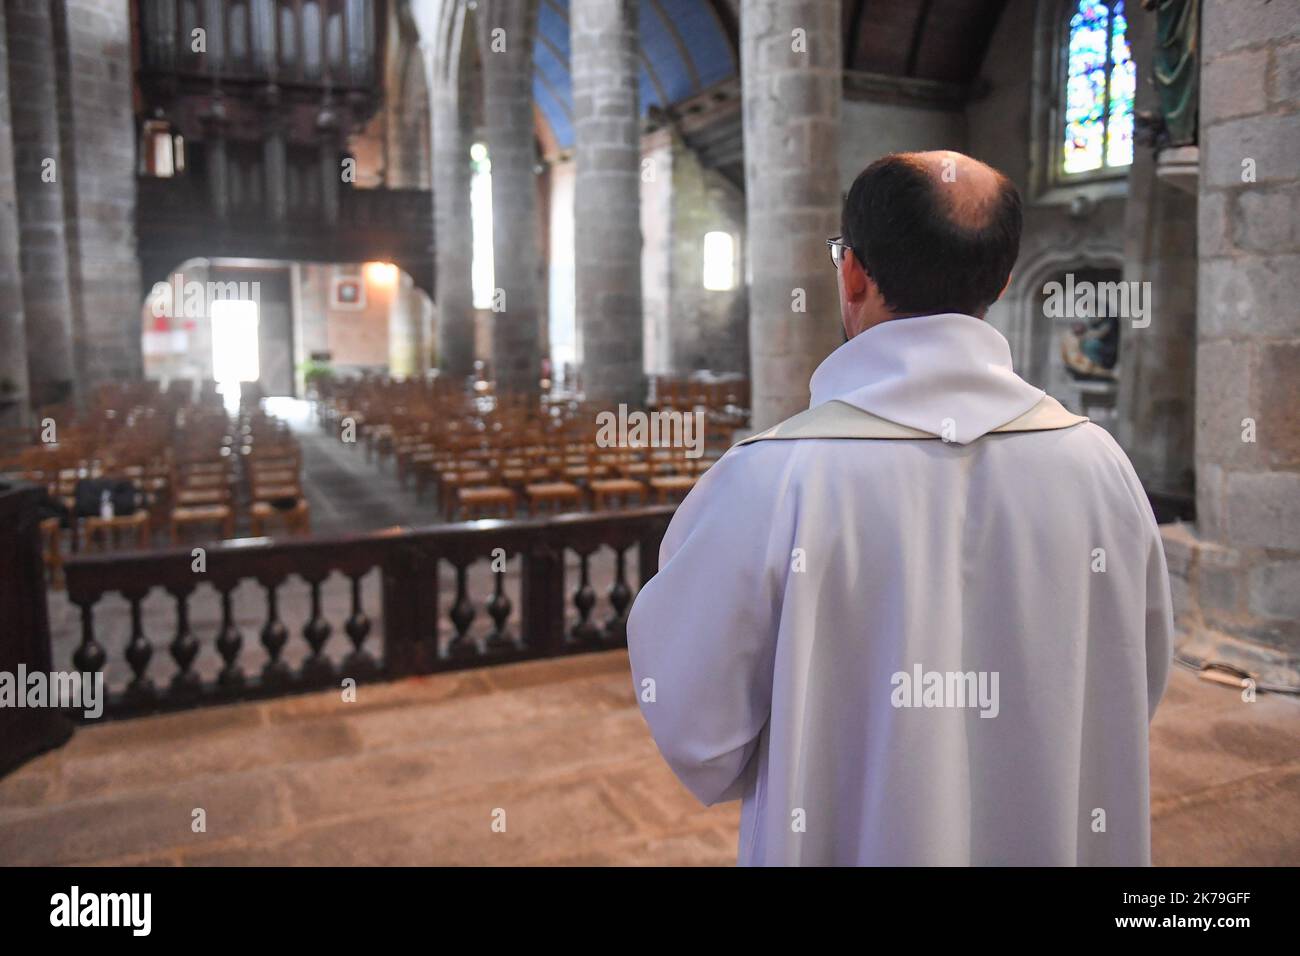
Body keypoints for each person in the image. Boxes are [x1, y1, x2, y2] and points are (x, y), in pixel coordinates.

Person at [626, 150, 1174, 866]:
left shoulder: (772, 477)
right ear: (1003, 281)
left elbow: (698, 729)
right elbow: (1135, 678)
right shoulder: (1101, 466)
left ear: (852, 272)